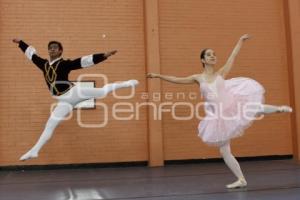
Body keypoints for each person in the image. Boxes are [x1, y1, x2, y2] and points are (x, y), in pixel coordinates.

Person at [147, 34, 292, 189]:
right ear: (203, 60)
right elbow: (176, 79)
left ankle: (279, 109)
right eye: (209, 55)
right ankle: (241, 179)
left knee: (254, 108)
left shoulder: (221, 73)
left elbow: (233, 56)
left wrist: (240, 41)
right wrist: (158, 76)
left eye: (214, 54)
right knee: (224, 152)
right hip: (218, 116)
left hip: (231, 106)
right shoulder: (198, 78)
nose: (213, 56)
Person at [13, 38, 138, 161]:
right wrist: (21, 43)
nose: (52, 50)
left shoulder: (64, 64)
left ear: (60, 51)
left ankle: (127, 83)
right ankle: (35, 151)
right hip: (63, 101)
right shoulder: (44, 64)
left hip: (74, 93)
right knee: (50, 124)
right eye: (50, 48)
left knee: (102, 92)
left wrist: (103, 56)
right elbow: (32, 55)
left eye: (55, 48)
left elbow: (82, 61)